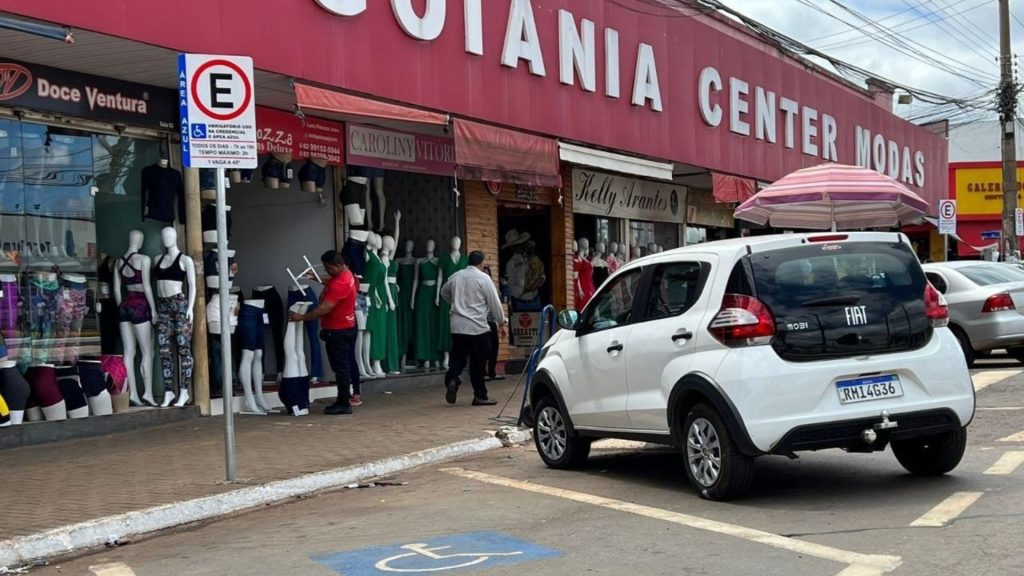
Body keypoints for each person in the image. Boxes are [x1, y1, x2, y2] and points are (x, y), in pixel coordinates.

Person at [289, 250, 359, 415]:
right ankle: (344, 398)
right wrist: (317, 278)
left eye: (328, 268)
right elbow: (331, 282)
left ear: (337, 265)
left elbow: (325, 307)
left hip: (338, 330)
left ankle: (343, 402)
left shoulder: (339, 284)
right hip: (347, 326)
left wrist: (302, 317)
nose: (326, 271)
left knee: (340, 367)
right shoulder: (347, 275)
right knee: (344, 366)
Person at [440, 251, 506, 406]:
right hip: (477, 327)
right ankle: (480, 395)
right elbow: (494, 303)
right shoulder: (484, 278)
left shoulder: (456, 276)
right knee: (478, 362)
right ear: (481, 263)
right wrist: (502, 322)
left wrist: (455, 302)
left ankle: (453, 379)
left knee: (458, 357)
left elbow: (444, 292)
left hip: (457, 325)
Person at [482, 266, 505, 382]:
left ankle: (492, 372)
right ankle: (483, 372)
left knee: (494, 347)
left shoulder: (493, 289)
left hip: (492, 321)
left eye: (488, 274)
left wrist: (502, 323)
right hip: (481, 322)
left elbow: (498, 304)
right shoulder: (479, 288)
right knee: (485, 348)